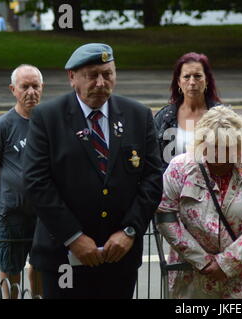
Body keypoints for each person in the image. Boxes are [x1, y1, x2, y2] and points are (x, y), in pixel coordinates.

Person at [23, 43, 163, 299]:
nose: (100, 83)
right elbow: (36, 182)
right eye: (92, 75)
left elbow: (152, 178)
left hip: (119, 256)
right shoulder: (47, 117)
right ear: (72, 77)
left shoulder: (138, 116)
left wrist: (130, 231)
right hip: (63, 258)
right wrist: (73, 237)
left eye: (107, 74)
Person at [156, 106, 242, 298]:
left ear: (238, 144)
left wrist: (226, 263)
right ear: (201, 142)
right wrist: (202, 261)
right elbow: (165, 215)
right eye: (214, 147)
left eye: (227, 147)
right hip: (191, 279)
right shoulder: (180, 167)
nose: (220, 154)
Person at [0, 65, 44, 298]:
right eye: (25, 86)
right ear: (14, 89)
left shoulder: (48, 124)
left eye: (36, 86)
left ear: (42, 89)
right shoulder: (2, 126)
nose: (31, 91)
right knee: (10, 265)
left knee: (41, 262)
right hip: (11, 213)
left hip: (44, 210)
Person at [154, 52, 222, 170]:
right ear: (179, 82)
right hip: (172, 187)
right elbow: (153, 162)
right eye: (186, 77)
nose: (192, 82)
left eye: (197, 76)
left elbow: (236, 158)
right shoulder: (164, 118)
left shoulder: (223, 116)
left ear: (207, 80)